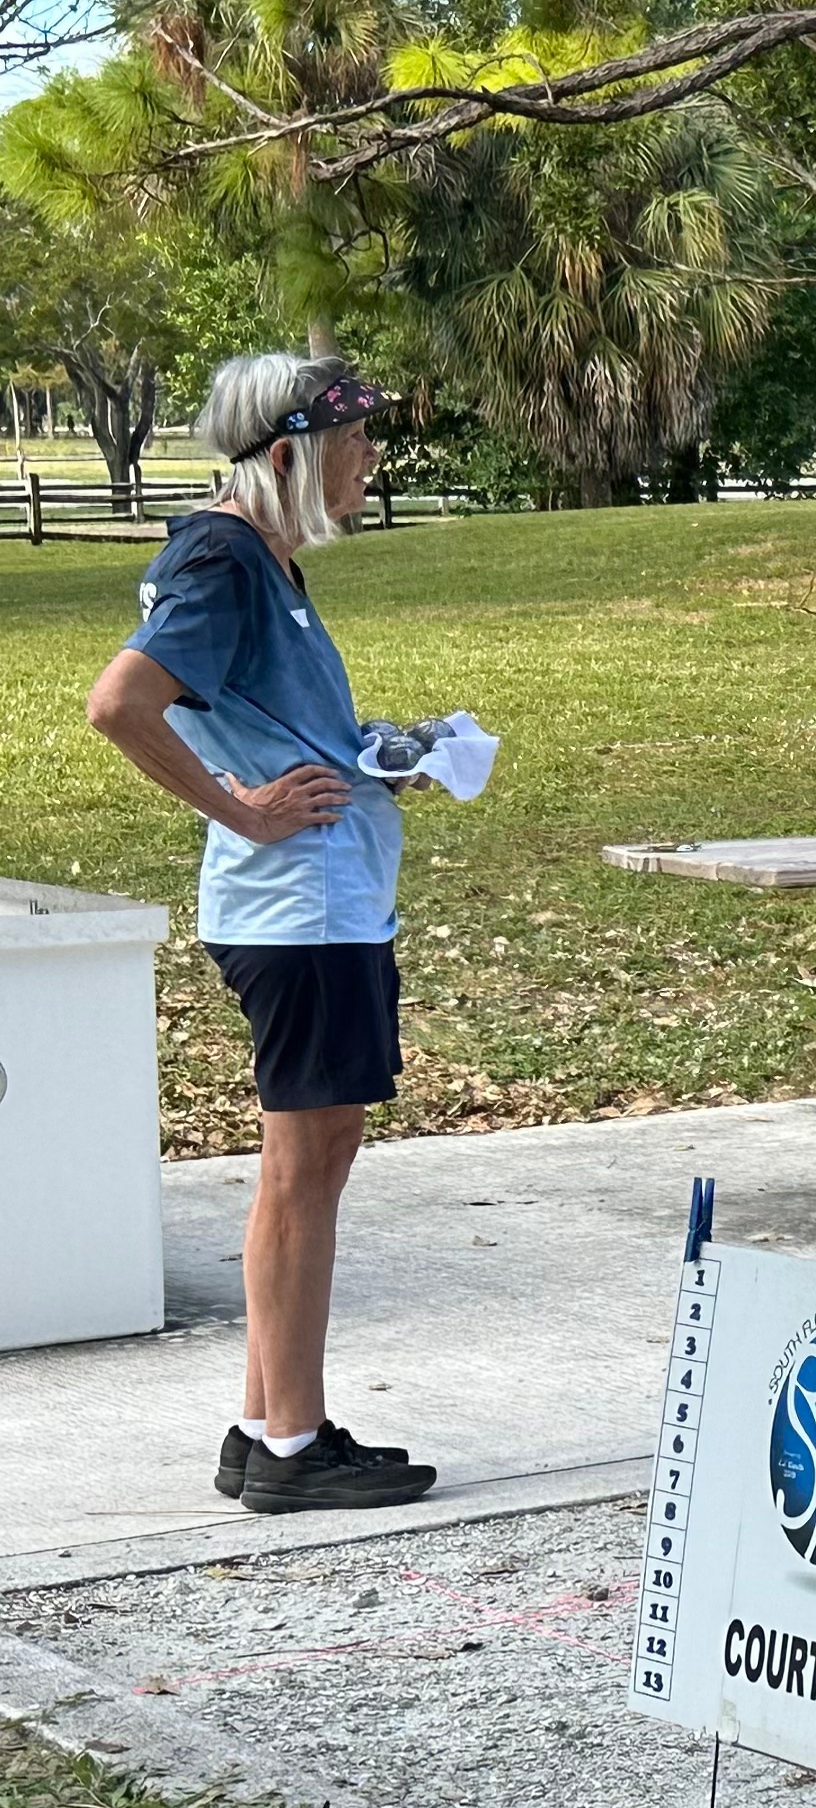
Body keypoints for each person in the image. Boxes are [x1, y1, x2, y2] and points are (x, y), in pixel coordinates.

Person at [83, 353, 440, 1512]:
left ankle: (264, 1425)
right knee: (304, 1167)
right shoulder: (224, 559)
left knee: (312, 1163)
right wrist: (244, 810)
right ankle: (293, 1446)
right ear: (287, 454)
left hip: (320, 909)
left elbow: (254, 719)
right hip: (301, 915)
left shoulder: (262, 561)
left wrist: (374, 756)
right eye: (354, 441)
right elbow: (119, 703)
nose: (371, 458)